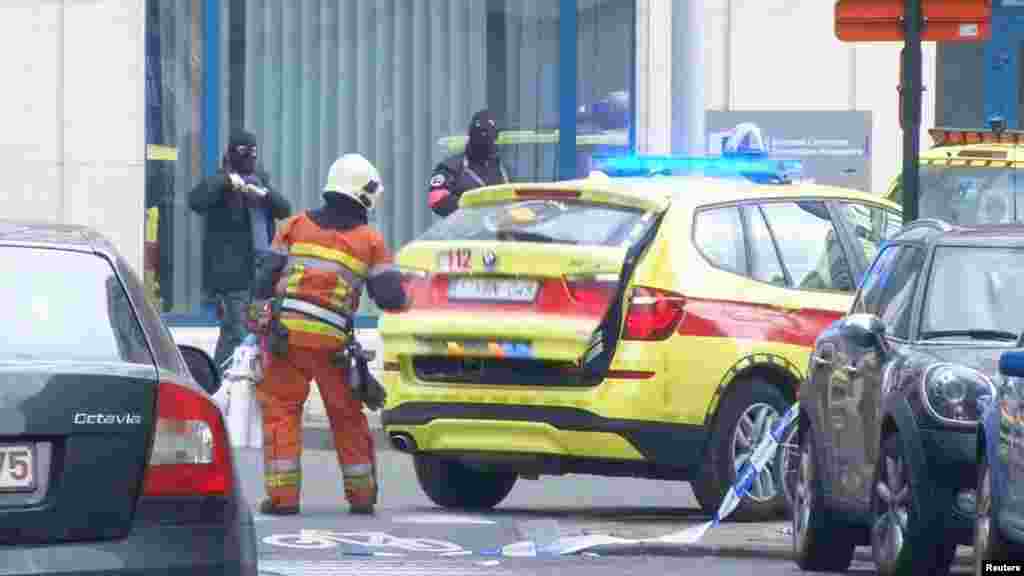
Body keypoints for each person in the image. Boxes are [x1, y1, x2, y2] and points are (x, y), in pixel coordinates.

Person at [252, 153, 406, 516]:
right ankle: (362, 496)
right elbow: (390, 299)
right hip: (332, 346)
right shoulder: (371, 242)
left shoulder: (292, 226)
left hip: (285, 339)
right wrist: (407, 289)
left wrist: (257, 325)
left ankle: (282, 498)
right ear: (365, 195)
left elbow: (263, 281)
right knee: (347, 416)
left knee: (281, 412)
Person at [189, 131, 292, 368]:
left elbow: (284, 209)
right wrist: (228, 181)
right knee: (240, 331)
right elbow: (196, 200)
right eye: (243, 154)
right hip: (233, 277)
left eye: (252, 155)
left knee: (242, 332)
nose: (249, 160)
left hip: (262, 274)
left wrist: (262, 193)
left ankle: (216, 382)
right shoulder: (221, 183)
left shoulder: (259, 180)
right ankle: (226, 383)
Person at [428, 109, 510, 217]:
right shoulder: (451, 167)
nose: (488, 143)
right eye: (482, 136)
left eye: (492, 138)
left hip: (500, 229)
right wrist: (474, 211)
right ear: (471, 135)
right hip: (464, 230)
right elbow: (436, 199)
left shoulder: (501, 167)